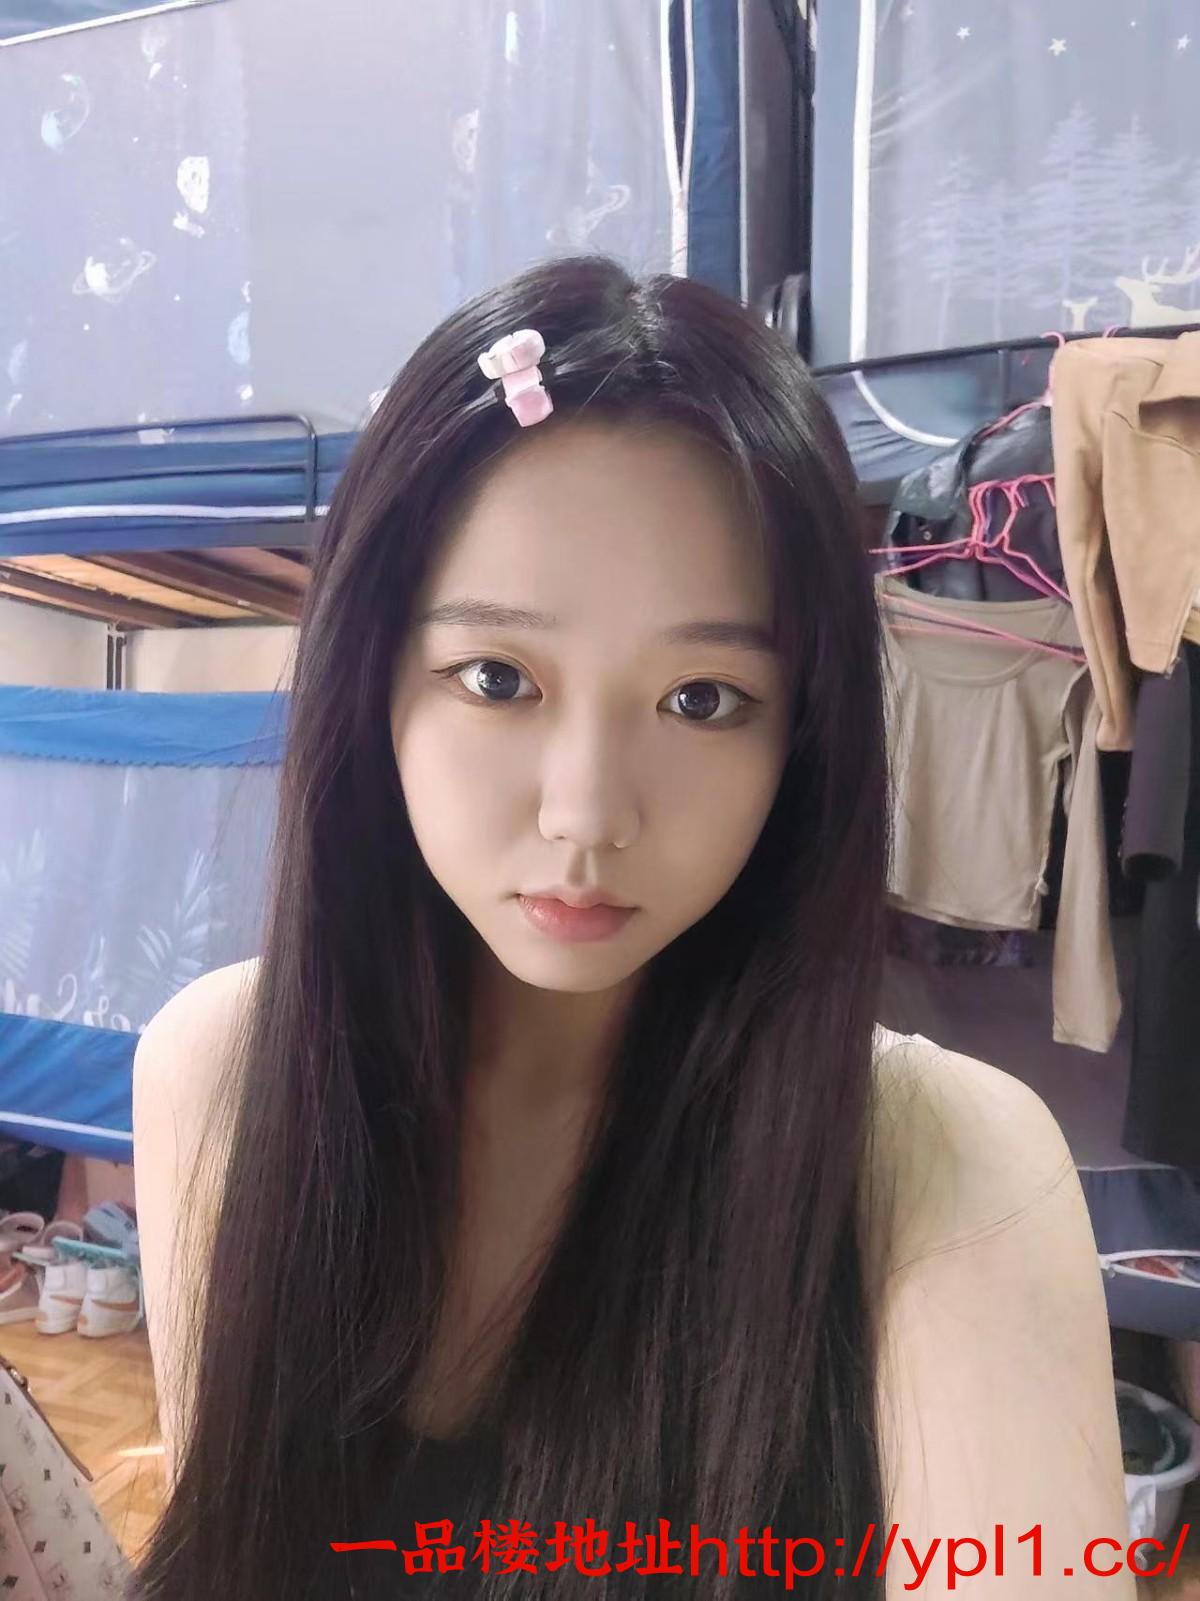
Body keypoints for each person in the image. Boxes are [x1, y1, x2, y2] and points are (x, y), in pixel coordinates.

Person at [128, 256, 1132, 1600]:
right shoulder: (223, 1073)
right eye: (498, 678)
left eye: (703, 699)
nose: (588, 813)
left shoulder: (944, 1170)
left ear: (803, 740)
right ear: (371, 680)